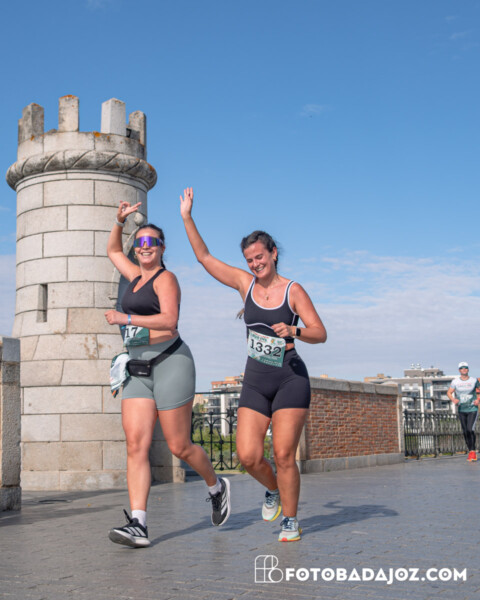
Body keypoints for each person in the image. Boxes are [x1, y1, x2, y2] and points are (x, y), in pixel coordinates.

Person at [180, 188, 327, 542]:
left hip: (290, 378)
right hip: (257, 380)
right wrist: (187, 217)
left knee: (284, 454)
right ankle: (274, 489)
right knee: (247, 456)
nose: (255, 264)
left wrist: (294, 330)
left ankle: (290, 520)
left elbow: (320, 333)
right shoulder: (244, 284)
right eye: (249, 260)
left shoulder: (293, 291)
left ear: (273, 253)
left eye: (260, 256)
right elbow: (204, 257)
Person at [104, 200, 231, 548]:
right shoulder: (133, 276)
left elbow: (170, 320)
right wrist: (119, 222)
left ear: (162, 248)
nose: (145, 247)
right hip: (137, 369)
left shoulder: (166, 279)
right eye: (140, 243)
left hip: (171, 362)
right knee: (136, 445)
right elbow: (113, 250)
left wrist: (126, 318)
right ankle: (139, 524)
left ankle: (216, 486)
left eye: (152, 242)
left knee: (179, 446)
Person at [447, 362, 479, 462]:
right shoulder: (455, 382)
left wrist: (478, 400)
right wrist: (453, 399)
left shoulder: (473, 380)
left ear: (468, 369)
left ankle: (473, 452)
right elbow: (449, 392)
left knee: (470, 429)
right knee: (465, 431)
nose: (464, 369)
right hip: (461, 409)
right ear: (459, 370)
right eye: (462, 368)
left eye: (465, 368)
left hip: (472, 409)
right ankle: (470, 450)